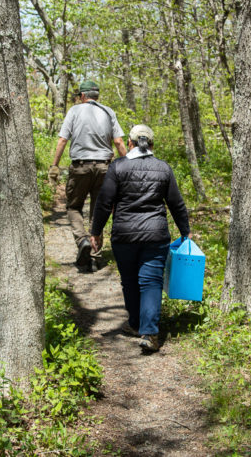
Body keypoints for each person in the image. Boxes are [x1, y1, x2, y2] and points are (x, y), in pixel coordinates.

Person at [90, 124, 190, 353]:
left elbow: (104, 202)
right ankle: (149, 333)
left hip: (124, 235)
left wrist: (96, 231)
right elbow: (176, 203)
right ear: (152, 144)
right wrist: (186, 231)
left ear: (131, 143)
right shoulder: (163, 168)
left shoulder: (118, 167)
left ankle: (135, 324)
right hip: (156, 236)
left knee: (129, 280)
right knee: (151, 282)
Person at [49, 80, 127, 272]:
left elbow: (62, 140)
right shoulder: (109, 112)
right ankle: (95, 253)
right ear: (96, 95)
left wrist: (54, 166)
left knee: (74, 206)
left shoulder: (75, 111)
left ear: (82, 96)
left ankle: (83, 240)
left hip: (81, 167)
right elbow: (118, 141)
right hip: (104, 169)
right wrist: (128, 165)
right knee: (99, 210)